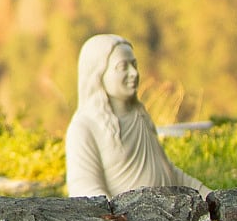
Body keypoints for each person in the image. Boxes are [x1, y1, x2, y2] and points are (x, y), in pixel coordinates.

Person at [64, 33, 206, 199]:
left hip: (172, 213)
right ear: (98, 73)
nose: (134, 73)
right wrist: (119, 220)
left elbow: (168, 172)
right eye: (123, 67)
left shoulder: (139, 116)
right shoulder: (84, 126)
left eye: (134, 65)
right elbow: (85, 189)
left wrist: (206, 194)